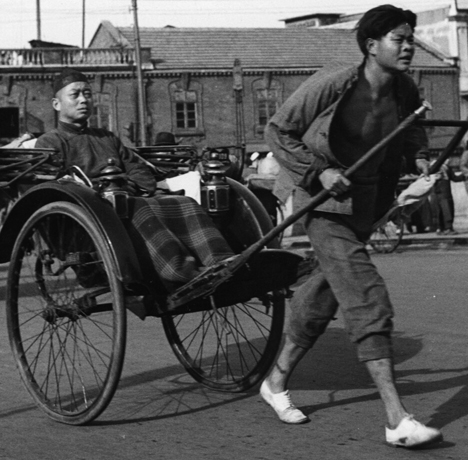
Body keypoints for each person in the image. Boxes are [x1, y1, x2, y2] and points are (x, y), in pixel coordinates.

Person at [261, 5, 442, 449]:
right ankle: (397, 417)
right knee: (365, 295)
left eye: (411, 39)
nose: (408, 48)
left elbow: (411, 128)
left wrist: (418, 158)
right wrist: (317, 171)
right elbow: (278, 129)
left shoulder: (402, 87)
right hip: (324, 205)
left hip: (366, 205)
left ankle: (276, 381)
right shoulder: (336, 82)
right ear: (371, 45)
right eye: (399, 39)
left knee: (324, 294)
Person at [35, 68, 234, 292]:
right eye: (75, 94)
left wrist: (130, 185)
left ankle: (221, 262)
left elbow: (136, 168)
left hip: (124, 199)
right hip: (89, 217)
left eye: (88, 93)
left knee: (184, 202)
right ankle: (180, 271)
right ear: (56, 104)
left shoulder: (107, 137)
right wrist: (103, 191)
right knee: (139, 208)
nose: (84, 100)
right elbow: (58, 185)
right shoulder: (49, 142)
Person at [431, 159, 464, 235]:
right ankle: (444, 228)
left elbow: (455, 178)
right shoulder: (435, 167)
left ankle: (446, 228)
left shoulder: (447, 168)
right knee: (444, 210)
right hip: (440, 192)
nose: (449, 160)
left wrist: (464, 175)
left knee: (447, 209)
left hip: (445, 192)